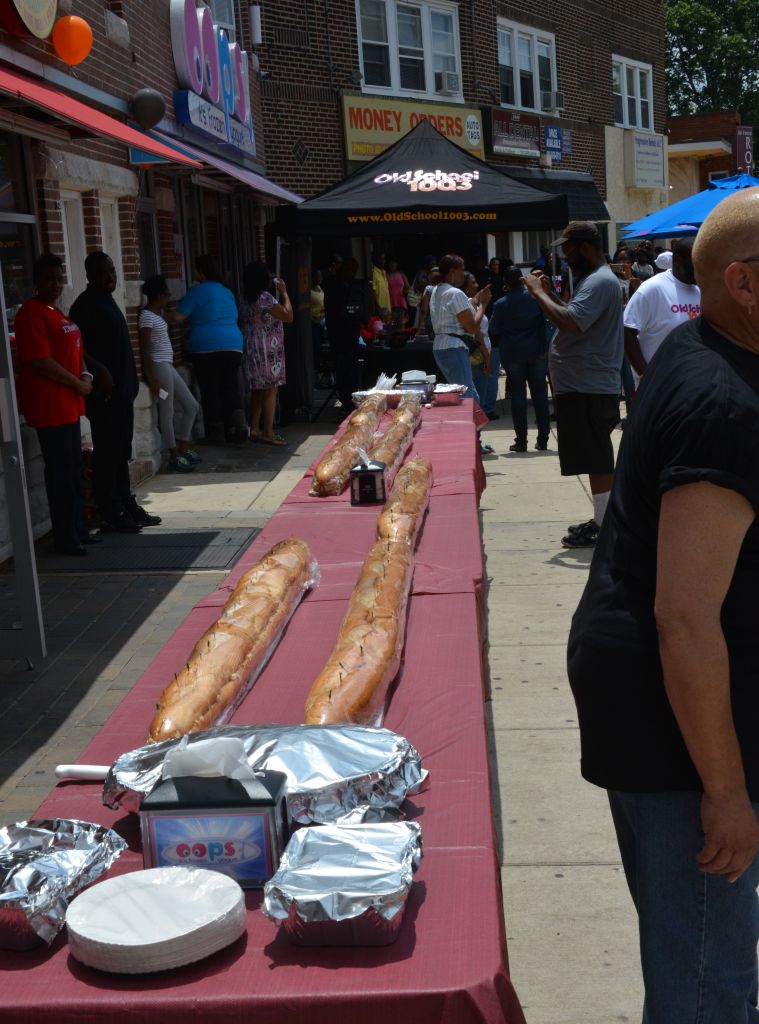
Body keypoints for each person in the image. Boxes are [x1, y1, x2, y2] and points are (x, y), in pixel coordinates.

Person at [566, 185, 759, 1024]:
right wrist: (722, 788)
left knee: (703, 952)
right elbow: (683, 619)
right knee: (705, 978)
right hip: (677, 726)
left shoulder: (700, 347)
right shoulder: (725, 406)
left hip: (662, 697)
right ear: (743, 283)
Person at [523, 221, 623, 548]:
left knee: (596, 455)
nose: (564, 256)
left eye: (567, 249)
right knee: (591, 455)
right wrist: (549, 294)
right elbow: (572, 312)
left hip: (589, 385)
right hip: (583, 384)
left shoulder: (599, 281)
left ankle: (606, 524)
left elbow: (569, 321)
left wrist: (539, 295)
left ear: (585, 247)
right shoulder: (592, 280)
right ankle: (602, 519)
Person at [70, 251, 160, 533]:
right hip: (104, 395)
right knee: (107, 453)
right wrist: (101, 372)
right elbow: (80, 350)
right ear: (89, 276)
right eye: (102, 273)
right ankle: (109, 510)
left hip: (123, 393)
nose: (109, 277)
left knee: (121, 452)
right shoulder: (84, 306)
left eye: (111, 271)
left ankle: (126, 503)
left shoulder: (107, 301)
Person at [14, 253, 94, 555]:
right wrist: (76, 383)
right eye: (49, 278)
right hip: (50, 407)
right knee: (60, 473)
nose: (55, 284)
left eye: (59, 278)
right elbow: (39, 361)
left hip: (70, 405)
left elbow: (74, 350)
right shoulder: (31, 313)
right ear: (36, 281)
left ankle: (78, 528)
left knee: (73, 470)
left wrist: (84, 374)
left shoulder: (57, 312)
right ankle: (66, 536)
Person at [174, 254, 247, 446]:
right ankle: (239, 427)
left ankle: (216, 433)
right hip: (233, 344)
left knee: (211, 389)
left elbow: (178, 317)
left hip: (206, 347)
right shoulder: (226, 291)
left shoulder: (196, 291)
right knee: (230, 387)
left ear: (201, 271)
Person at [138, 275, 200, 473]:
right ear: (158, 296)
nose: (168, 297)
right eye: (166, 294)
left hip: (168, 365)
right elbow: (145, 349)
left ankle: (182, 446)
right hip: (159, 366)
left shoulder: (157, 316)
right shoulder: (147, 317)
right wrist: (153, 378)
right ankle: (174, 455)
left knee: (191, 405)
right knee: (168, 410)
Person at [489, 267, 551, 452]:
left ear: (506, 283)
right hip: (537, 351)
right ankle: (543, 440)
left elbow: (493, 329)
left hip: (513, 353)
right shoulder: (535, 298)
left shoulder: (501, 304)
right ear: (523, 279)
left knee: (518, 397)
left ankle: (521, 441)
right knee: (540, 396)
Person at [624, 238, 701, 377]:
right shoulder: (653, 288)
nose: (701, 266)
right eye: (696, 261)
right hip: (660, 385)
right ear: (678, 259)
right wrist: (645, 376)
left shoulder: (700, 290)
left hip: (692, 381)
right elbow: (627, 331)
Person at [239, 260, 293, 446]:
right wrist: (284, 292)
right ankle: (268, 432)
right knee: (271, 388)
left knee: (257, 390)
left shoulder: (245, 298)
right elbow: (288, 315)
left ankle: (254, 428)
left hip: (251, 347)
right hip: (268, 348)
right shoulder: (265, 298)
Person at [428, 253, 489, 404]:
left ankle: (472, 427)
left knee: (469, 396)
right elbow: (471, 327)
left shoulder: (436, 290)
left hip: (441, 348)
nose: (464, 273)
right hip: (453, 348)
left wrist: (474, 301)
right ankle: (470, 427)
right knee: (468, 399)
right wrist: (483, 305)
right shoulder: (455, 293)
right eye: (462, 269)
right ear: (452, 271)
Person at [324, 256, 372, 414]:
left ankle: (352, 401)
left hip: (352, 333)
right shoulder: (333, 286)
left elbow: (361, 310)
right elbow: (335, 311)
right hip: (338, 336)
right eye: (349, 270)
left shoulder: (355, 286)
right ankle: (346, 404)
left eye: (354, 271)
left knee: (352, 370)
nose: (351, 273)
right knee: (343, 370)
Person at [386, 256, 409, 323]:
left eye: (394, 263)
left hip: (401, 304)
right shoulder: (384, 275)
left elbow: (408, 287)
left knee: (401, 326)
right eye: (390, 263)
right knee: (390, 326)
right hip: (389, 304)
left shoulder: (401, 274)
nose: (392, 265)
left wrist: (406, 291)